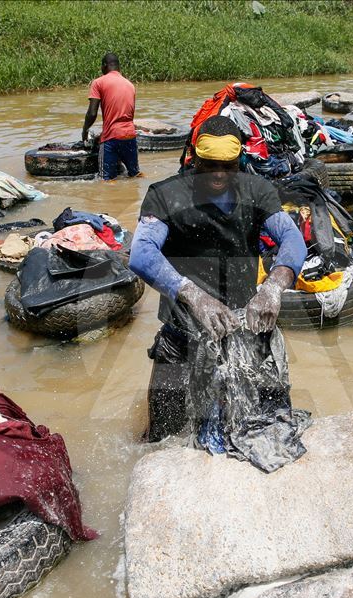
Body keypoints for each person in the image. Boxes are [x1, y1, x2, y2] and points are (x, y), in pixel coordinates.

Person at [128, 116, 307, 442]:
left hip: (242, 333)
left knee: (262, 431)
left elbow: (293, 239)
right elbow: (141, 253)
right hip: (181, 334)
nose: (218, 174)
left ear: (239, 162)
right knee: (159, 437)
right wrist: (193, 294)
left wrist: (274, 287)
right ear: (194, 159)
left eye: (227, 165)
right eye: (210, 165)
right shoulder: (167, 196)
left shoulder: (258, 191)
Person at [81, 53, 140, 180]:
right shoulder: (130, 85)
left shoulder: (98, 82)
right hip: (130, 135)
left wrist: (85, 130)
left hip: (111, 138)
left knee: (106, 180)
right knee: (135, 175)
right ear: (118, 67)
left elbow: (92, 113)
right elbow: (125, 115)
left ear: (104, 66)